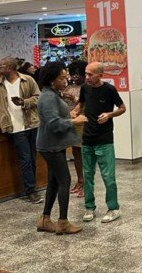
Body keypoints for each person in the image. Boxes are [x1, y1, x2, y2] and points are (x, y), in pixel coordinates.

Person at [73, 62, 126, 223]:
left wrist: (109, 115)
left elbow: (122, 107)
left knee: (108, 176)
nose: (87, 77)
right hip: (87, 139)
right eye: (86, 74)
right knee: (87, 176)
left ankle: (113, 208)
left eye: (90, 74)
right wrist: (75, 111)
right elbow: (81, 104)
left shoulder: (109, 90)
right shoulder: (85, 88)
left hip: (104, 140)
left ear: (100, 75)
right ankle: (89, 208)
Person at [35, 62, 82, 235]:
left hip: (55, 144)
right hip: (50, 145)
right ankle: (62, 222)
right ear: (52, 79)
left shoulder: (53, 94)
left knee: (54, 181)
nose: (66, 80)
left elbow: (54, 116)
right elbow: (54, 124)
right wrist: (74, 121)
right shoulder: (47, 97)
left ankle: (45, 219)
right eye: (62, 77)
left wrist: (68, 114)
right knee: (65, 180)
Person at [0, 57, 42, 203]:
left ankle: (32, 187)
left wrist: (24, 102)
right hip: (14, 127)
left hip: (31, 123)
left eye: (1, 66)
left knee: (32, 158)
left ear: (9, 68)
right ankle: (31, 191)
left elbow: (39, 98)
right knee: (25, 159)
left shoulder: (27, 80)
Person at [63, 60, 87, 196]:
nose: (75, 77)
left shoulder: (88, 87)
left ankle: (85, 183)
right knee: (76, 153)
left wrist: (73, 100)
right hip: (71, 123)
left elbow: (85, 104)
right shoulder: (67, 87)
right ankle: (80, 180)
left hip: (84, 123)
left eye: (78, 74)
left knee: (85, 154)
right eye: (73, 74)